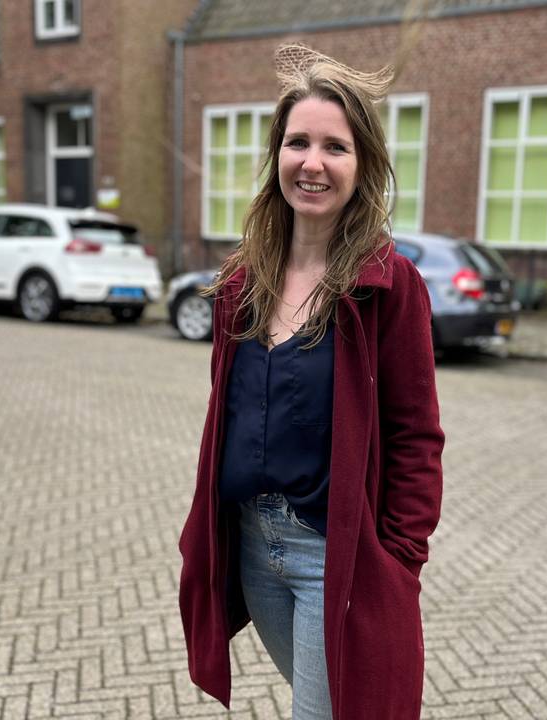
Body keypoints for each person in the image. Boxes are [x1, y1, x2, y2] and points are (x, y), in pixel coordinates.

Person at [178, 43, 445, 720]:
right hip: (250, 548)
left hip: (337, 557)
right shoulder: (241, 284)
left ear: (363, 166)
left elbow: (416, 435)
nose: (313, 162)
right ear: (277, 157)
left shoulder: (389, 285)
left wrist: (399, 559)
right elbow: (226, 412)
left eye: (336, 146)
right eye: (298, 142)